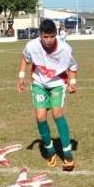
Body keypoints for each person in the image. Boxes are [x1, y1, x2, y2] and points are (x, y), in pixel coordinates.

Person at [18, 19, 78, 171]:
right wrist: (21, 76)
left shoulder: (65, 49)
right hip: (39, 83)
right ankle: (50, 151)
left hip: (57, 83)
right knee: (40, 117)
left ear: (56, 35)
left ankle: (67, 154)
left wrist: (72, 82)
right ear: (40, 35)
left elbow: (72, 67)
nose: (49, 40)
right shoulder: (32, 46)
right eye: (45, 37)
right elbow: (25, 59)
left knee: (57, 113)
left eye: (52, 36)